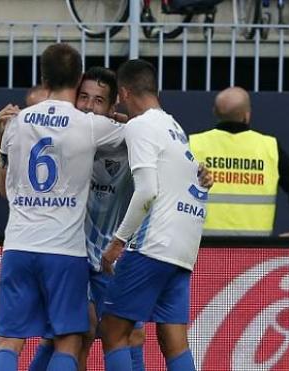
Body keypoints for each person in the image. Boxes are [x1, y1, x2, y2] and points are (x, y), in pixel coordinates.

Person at [0, 43, 125, 371]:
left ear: (43, 77)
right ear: (79, 79)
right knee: (69, 339)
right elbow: (137, 135)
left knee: (9, 340)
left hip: (18, 246)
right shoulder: (90, 125)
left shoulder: (16, 123)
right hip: (65, 251)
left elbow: (1, 185)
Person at [100, 59, 206, 371]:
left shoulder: (140, 126)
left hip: (152, 245)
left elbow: (146, 191)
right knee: (172, 337)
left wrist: (117, 242)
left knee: (113, 329)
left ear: (123, 92)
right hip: (182, 248)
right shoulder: (173, 126)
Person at [188, 87, 289, 237]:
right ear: (247, 115)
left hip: (204, 248)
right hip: (254, 251)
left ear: (215, 112)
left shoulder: (194, 144)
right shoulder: (269, 147)